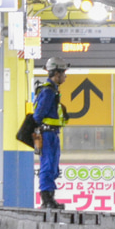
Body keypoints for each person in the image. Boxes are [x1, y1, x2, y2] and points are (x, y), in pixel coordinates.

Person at [33, 56, 69, 209]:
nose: (65, 76)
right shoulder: (48, 91)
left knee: (53, 166)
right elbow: (38, 114)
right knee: (48, 165)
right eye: (63, 72)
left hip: (52, 134)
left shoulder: (52, 91)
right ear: (56, 73)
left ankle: (50, 199)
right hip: (47, 135)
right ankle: (47, 200)